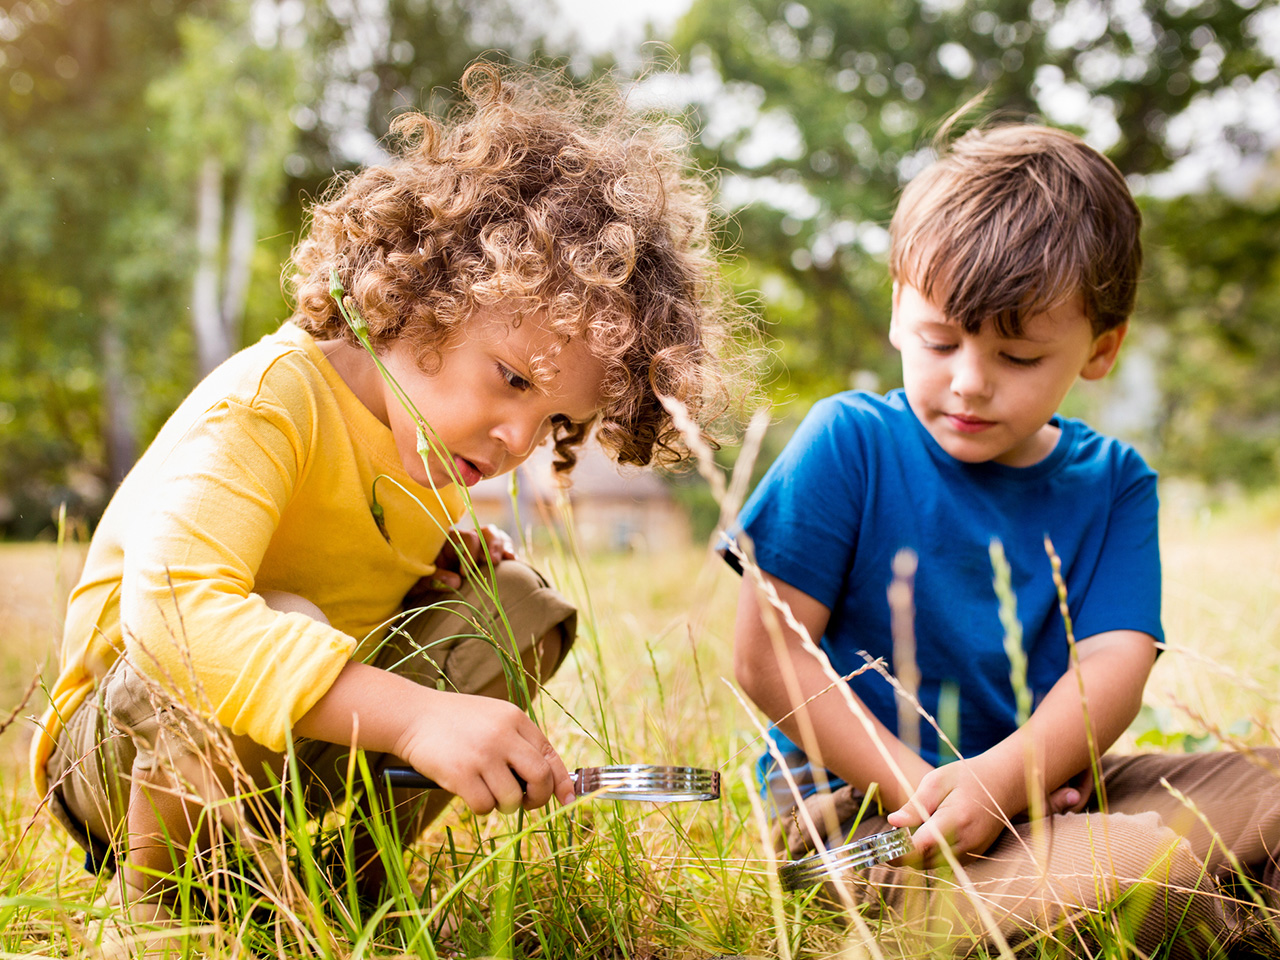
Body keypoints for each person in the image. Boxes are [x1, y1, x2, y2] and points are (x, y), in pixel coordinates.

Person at [34, 61, 739, 943]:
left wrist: (446, 557)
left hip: (286, 752)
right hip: (125, 755)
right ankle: (159, 912)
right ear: (414, 299)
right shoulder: (268, 400)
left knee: (516, 609)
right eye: (512, 378)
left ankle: (340, 889)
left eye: (556, 416)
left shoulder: (425, 444)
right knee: (269, 612)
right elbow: (175, 618)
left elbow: (351, 533)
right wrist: (418, 717)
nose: (519, 439)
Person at [724, 122, 1280, 956]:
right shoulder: (850, 443)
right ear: (897, 310)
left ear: (1100, 351)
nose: (970, 382)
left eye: (1017, 356)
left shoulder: (1117, 482)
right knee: (1146, 872)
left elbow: (1112, 671)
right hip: (873, 820)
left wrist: (1011, 778)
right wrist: (951, 796)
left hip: (1046, 796)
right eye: (940, 341)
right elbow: (768, 657)